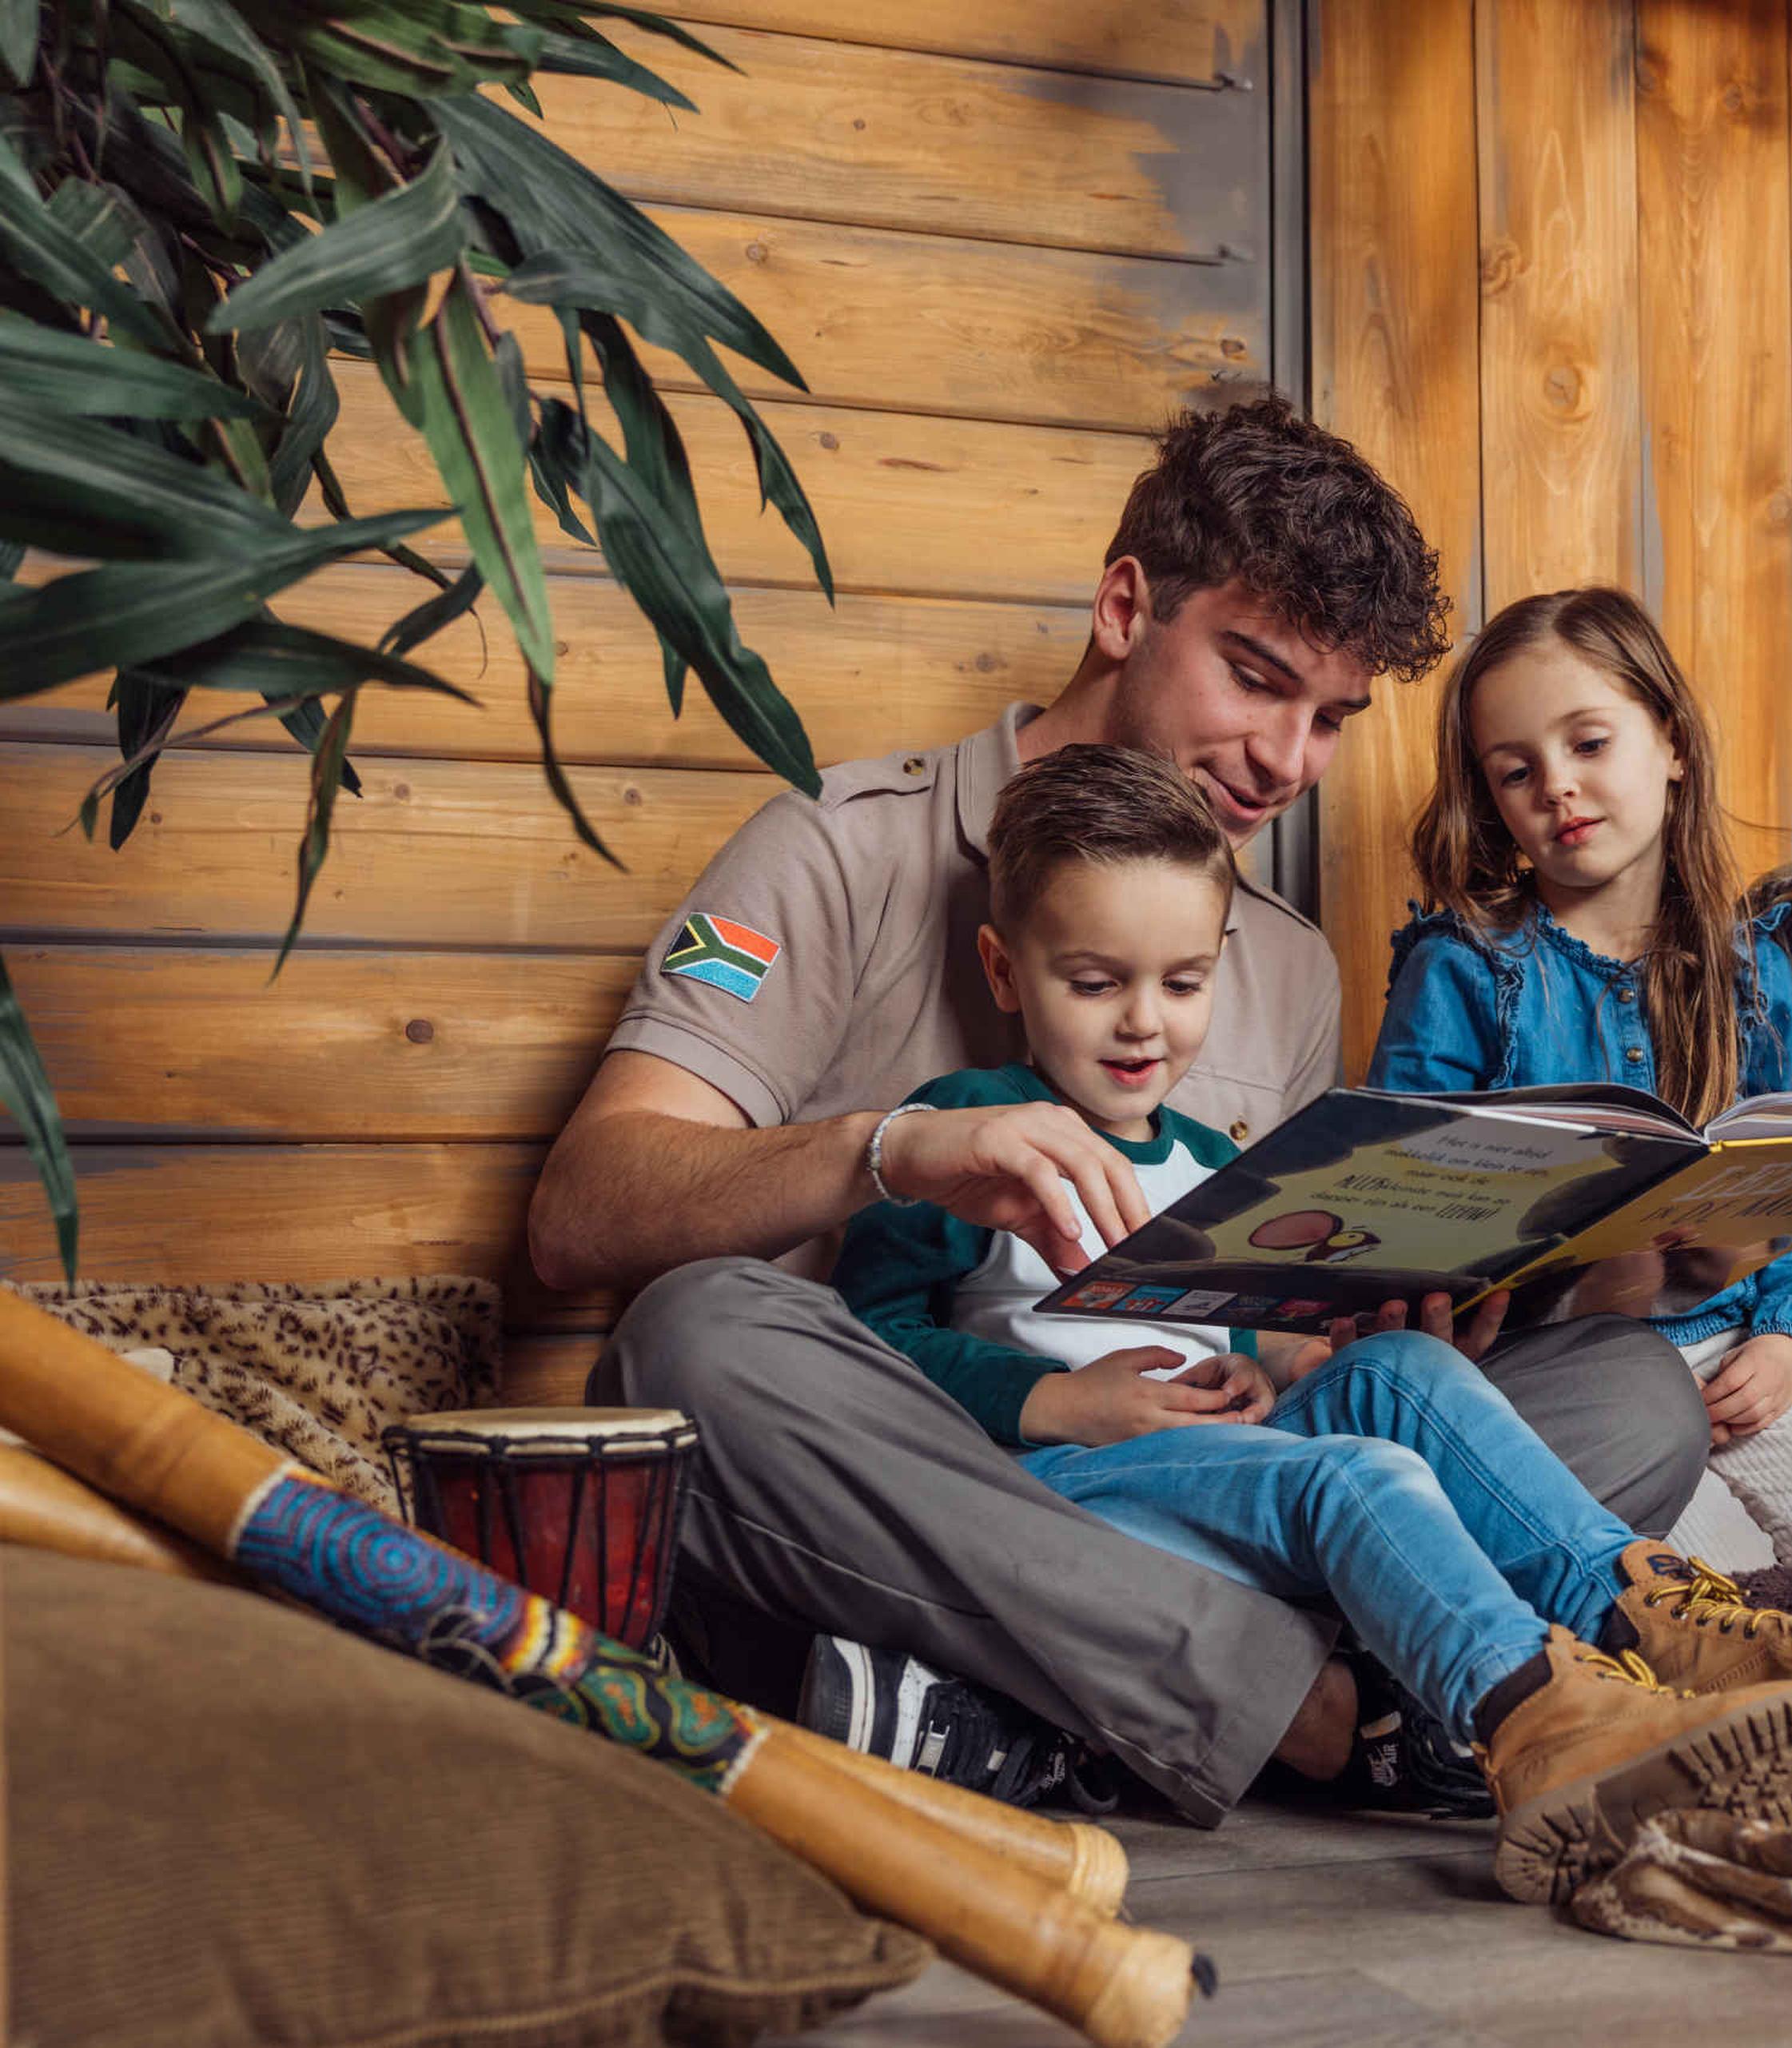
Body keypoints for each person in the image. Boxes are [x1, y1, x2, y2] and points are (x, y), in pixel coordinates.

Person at [530, 400, 1715, 1825]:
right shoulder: (839, 850)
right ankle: (1324, 1713)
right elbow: (582, 1212)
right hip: (913, 1480)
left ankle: (1033, 1711)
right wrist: (890, 1150)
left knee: (1635, 1392)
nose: (1286, 761)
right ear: (1124, 603)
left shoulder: (1274, 959)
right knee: (694, 1333)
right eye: (1255, 678)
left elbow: (1274, 1345)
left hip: (1201, 1485)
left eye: (1331, 719)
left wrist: (1435, 1303)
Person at [831, 744, 1792, 1900]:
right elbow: (865, 1349)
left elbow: (1250, 1349)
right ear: (1007, 973)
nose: (1143, 1023)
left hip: (1223, 1474)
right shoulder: (972, 1128)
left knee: (1398, 1372)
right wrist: (1058, 1399)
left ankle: (1661, 1621)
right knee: (1356, 1473)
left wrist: (1300, 1354)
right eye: (1096, 982)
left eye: (1184, 982)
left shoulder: (1216, 1163)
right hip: (1057, 1490)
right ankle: (1538, 1721)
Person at [1368, 587, 1792, 1572]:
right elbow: (1398, 1200)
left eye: (1588, 744)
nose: (1556, 786)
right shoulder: (1462, 968)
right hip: (1562, 1372)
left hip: (1739, 1347)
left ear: (1672, 743)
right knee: (1700, 1588)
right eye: (1517, 771)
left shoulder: (1750, 970)